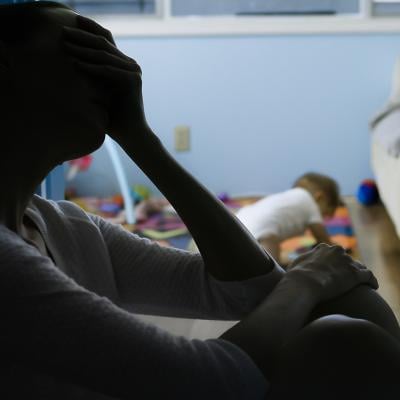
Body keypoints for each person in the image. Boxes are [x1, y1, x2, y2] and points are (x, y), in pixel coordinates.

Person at [1, 2, 400, 399]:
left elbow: (247, 288)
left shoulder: (66, 226)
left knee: (349, 302)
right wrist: (305, 280)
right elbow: (202, 380)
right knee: (340, 332)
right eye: (79, 49)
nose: (111, 69)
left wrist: (140, 137)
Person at [235, 172, 340, 264]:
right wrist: (335, 248)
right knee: (271, 264)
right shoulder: (309, 202)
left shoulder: (287, 198)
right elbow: (322, 239)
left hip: (237, 223)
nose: (322, 219)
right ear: (319, 198)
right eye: (325, 214)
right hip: (262, 235)